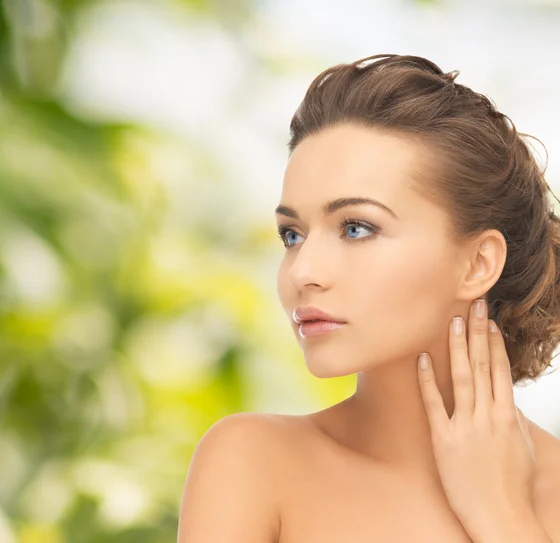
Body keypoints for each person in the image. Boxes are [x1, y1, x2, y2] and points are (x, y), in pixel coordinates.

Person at [177, 54, 560, 542]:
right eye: (292, 235)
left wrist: (502, 515)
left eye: (356, 228)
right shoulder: (253, 462)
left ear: (479, 263)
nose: (304, 271)